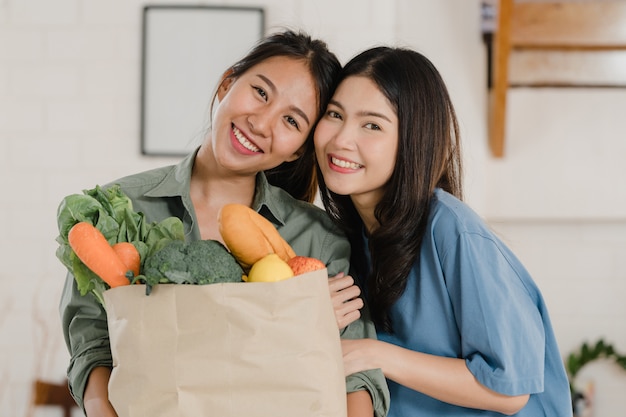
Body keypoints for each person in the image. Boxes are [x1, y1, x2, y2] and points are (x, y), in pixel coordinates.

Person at [59, 30, 389, 417]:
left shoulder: (317, 239)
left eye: (291, 121)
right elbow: (94, 347)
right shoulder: (121, 209)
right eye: (261, 93)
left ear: (298, 148)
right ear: (227, 84)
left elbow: (358, 379)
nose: (261, 123)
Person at [316, 46, 573, 416]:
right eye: (334, 114)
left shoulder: (452, 230)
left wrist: (376, 354)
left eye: (371, 124)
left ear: (412, 140)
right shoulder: (347, 239)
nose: (341, 139)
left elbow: (508, 391)